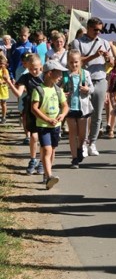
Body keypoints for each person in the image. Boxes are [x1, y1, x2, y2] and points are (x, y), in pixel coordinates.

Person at [70, 17, 115, 157]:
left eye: (100, 30)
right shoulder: (77, 42)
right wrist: (94, 55)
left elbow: (113, 63)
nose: (98, 33)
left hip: (100, 79)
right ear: (88, 28)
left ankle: (92, 142)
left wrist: (109, 59)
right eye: (95, 29)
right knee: (83, 114)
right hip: (83, 80)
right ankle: (82, 143)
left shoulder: (104, 42)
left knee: (97, 114)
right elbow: (77, 61)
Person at [31, 60, 69, 189]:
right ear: (49, 74)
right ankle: (49, 177)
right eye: (58, 73)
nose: (60, 77)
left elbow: (65, 106)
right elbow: (34, 108)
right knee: (46, 150)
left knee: (52, 150)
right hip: (43, 125)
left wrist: (62, 115)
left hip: (56, 126)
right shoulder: (39, 90)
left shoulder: (58, 90)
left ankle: (48, 174)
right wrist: (47, 119)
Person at [7, 54, 43, 174]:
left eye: (37, 68)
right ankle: (33, 159)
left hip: (45, 109)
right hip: (31, 109)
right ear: (27, 66)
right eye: (32, 68)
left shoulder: (45, 76)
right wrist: (9, 82)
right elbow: (18, 94)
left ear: (41, 67)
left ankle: (42, 162)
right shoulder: (25, 77)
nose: (34, 71)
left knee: (43, 137)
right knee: (33, 136)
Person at [63, 49, 94, 169]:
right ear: (68, 62)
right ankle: (74, 158)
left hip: (83, 107)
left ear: (80, 62)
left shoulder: (85, 74)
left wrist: (88, 90)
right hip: (70, 107)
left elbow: (92, 88)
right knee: (72, 133)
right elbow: (58, 87)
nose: (74, 65)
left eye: (76, 62)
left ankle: (80, 147)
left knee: (82, 134)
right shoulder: (65, 75)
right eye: (71, 62)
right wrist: (61, 93)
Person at [0, 54, 9, 124]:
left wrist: (2, 81)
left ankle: (4, 117)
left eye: (2, 64)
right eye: (0, 64)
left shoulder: (5, 71)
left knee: (3, 103)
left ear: (5, 64)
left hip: (3, 90)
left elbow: (7, 79)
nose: (1, 65)